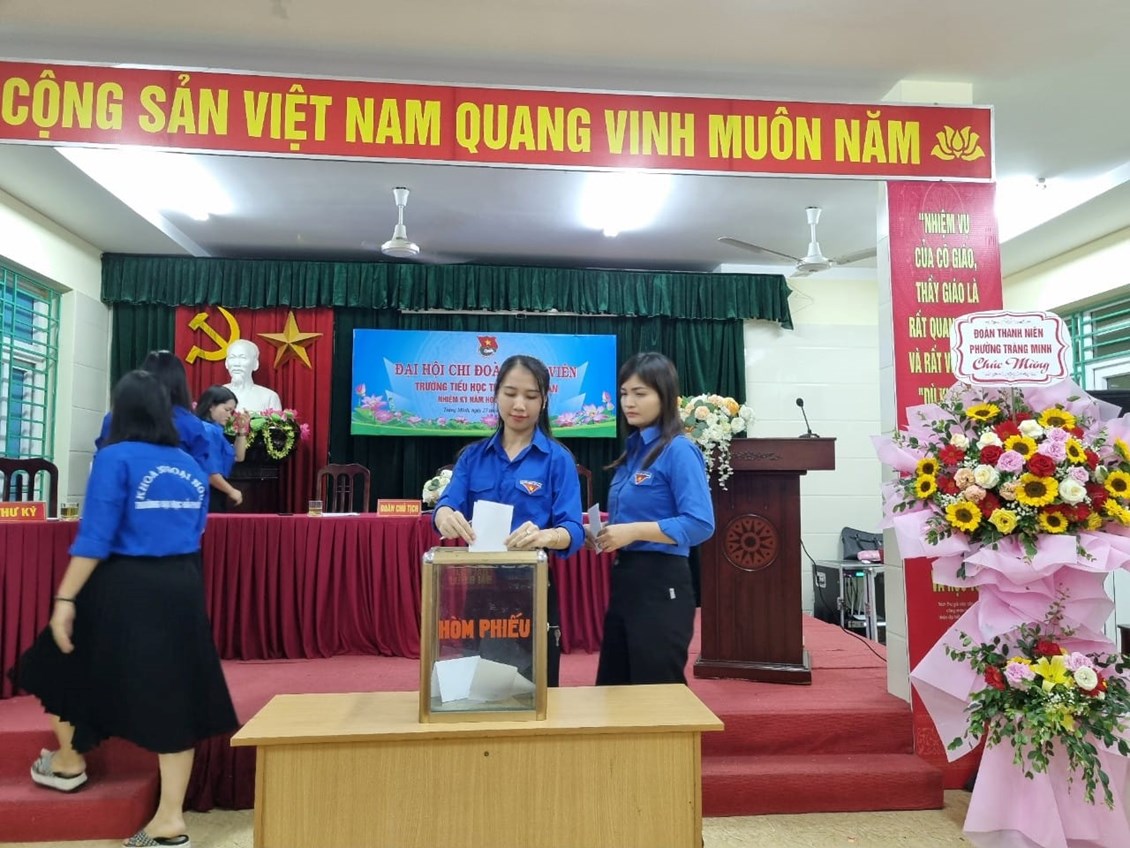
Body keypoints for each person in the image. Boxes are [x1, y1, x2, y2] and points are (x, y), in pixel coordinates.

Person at [16, 370, 237, 848]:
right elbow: (197, 530)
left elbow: (95, 537)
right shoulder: (189, 464)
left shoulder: (114, 457)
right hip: (181, 585)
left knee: (52, 664)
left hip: (124, 582)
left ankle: (69, 762)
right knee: (175, 695)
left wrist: (65, 598)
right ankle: (169, 821)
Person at [432, 354, 584, 687]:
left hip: (530, 588)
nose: (519, 405)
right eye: (511, 393)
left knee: (532, 690)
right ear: (496, 394)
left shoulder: (557, 459)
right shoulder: (473, 457)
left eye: (531, 396)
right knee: (478, 689)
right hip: (479, 587)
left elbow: (573, 529)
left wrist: (546, 536)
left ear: (544, 401)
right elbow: (447, 505)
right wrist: (443, 515)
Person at [594, 352, 715, 686]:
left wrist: (634, 531)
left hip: (662, 582)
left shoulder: (678, 450)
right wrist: (602, 533)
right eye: (623, 393)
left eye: (640, 393)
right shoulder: (633, 451)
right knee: (614, 689)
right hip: (625, 579)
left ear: (665, 396)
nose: (628, 402)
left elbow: (700, 523)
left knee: (657, 689)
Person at [95, 350, 211, 473]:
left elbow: (101, 463)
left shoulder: (114, 417)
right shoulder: (190, 424)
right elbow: (199, 472)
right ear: (180, 383)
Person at [194, 385, 247, 512]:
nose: (230, 415)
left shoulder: (215, 430)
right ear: (211, 406)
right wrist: (231, 491)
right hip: (207, 492)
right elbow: (210, 472)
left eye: (232, 412)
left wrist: (241, 429)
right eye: (227, 409)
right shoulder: (208, 430)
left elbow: (238, 457)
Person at [223, 339, 282, 413]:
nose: (236, 364)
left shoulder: (269, 397)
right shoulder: (214, 395)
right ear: (226, 363)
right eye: (232, 357)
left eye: (243, 358)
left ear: (255, 364)